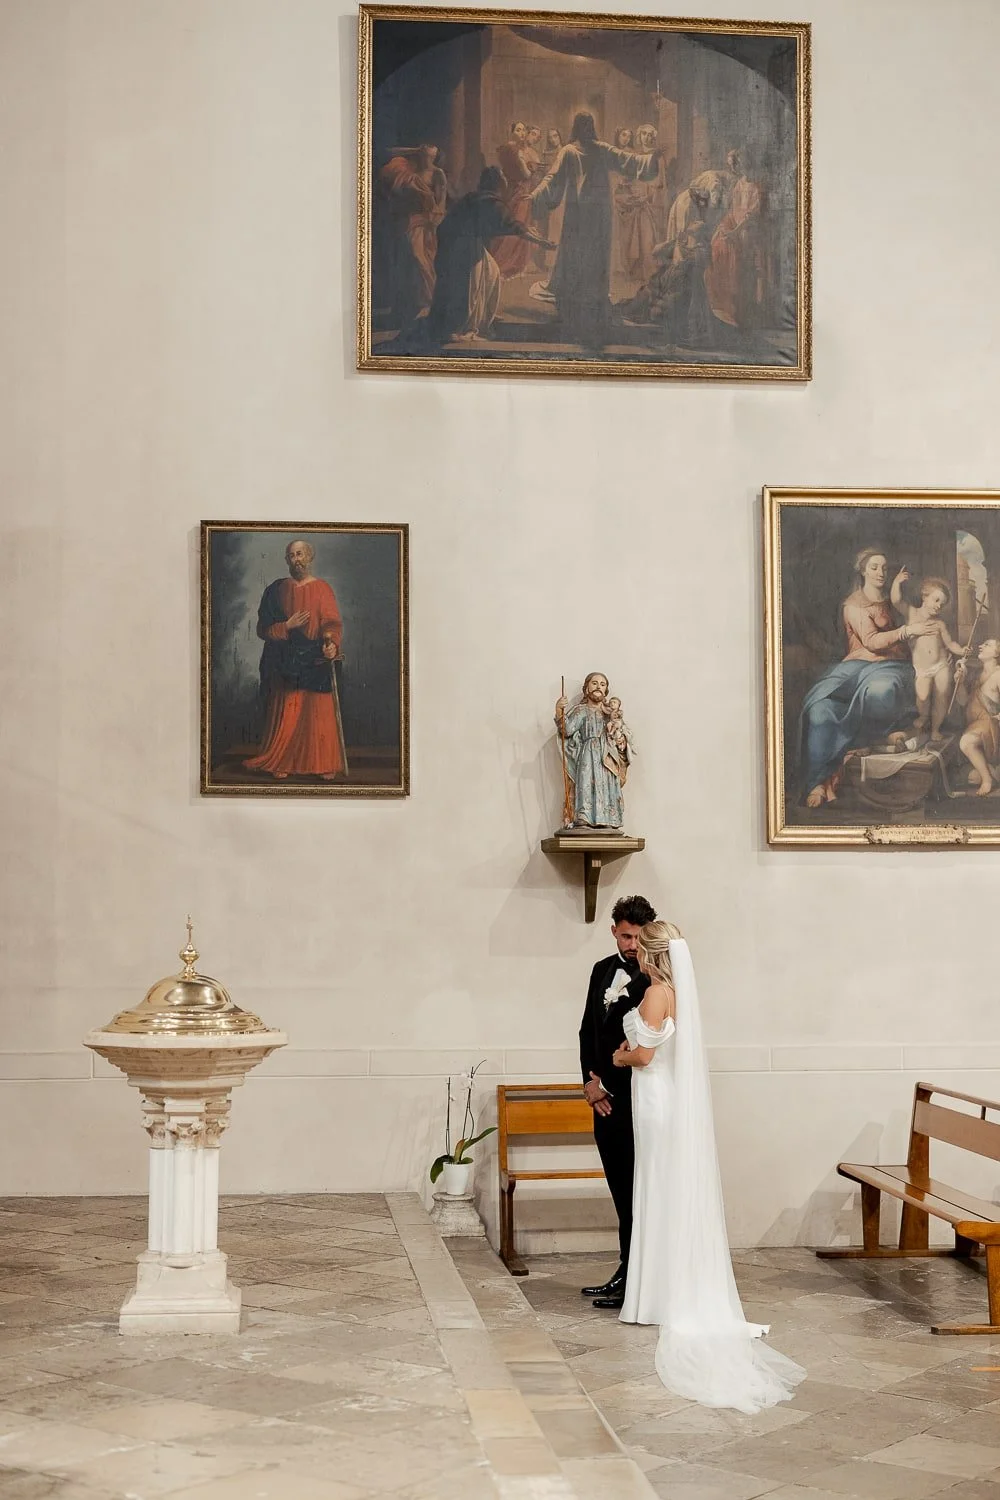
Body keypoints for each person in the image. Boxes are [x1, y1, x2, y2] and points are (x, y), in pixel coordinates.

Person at [612, 921, 806, 1412]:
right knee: (661, 1189)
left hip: (655, 1099)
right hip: (663, 1099)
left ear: (649, 952)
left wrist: (619, 1056)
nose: (631, 952)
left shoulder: (657, 993)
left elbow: (647, 1053)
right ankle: (660, 1291)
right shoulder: (678, 992)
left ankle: (657, 1297)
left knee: (656, 1187)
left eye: (638, 946)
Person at [799, 548, 933, 808]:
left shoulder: (893, 601)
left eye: (884, 567)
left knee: (880, 691)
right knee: (820, 709)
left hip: (892, 667)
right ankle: (818, 779)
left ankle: (864, 741)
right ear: (862, 571)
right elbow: (871, 642)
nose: (880, 573)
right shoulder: (853, 605)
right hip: (855, 668)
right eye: (874, 567)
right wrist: (906, 631)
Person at [578, 895, 657, 1309]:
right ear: (613, 931)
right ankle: (626, 1271)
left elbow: (650, 1048)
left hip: (636, 1102)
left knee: (639, 1194)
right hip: (602, 1101)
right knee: (620, 1193)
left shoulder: (655, 979)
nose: (631, 945)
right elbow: (586, 1032)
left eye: (639, 937)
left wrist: (611, 1083)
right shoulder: (600, 971)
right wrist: (589, 1085)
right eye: (625, 936)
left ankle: (637, 1279)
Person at [528, 111, 660, 347]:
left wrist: (650, 159)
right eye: (586, 125)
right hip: (584, 214)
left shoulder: (595, 149)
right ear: (584, 128)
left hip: (591, 214)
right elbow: (552, 177)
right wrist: (536, 194)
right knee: (580, 253)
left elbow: (627, 160)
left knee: (591, 253)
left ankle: (592, 298)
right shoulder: (572, 151)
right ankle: (580, 299)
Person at [243, 541, 346, 781]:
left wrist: (331, 645)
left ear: (309, 556)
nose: (295, 559)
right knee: (289, 711)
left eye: (299, 554)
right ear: (287, 561)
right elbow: (263, 629)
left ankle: (322, 764)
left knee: (317, 713)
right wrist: (287, 626)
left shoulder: (323, 589)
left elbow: (332, 623)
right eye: (291, 556)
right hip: (286, 660)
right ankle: (283, 760)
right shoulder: (276, 591)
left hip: (315, 658)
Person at [424, 168, 553, 345]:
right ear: (498, 183)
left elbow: (513, 224)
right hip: (460, 245)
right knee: (467, 286)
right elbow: (511, 224)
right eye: (503, 179)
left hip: (461, 241)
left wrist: (532, 234)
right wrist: (541, 242)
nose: (506, 182)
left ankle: (482, 313)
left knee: (491, 273)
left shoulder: (476, 197)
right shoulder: (489, 202)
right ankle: (455, 328)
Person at [378, 146, 448, 325]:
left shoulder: (437, 173)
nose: (427, 159)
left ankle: (429, 300)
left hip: (427, 220)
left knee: (423, 258)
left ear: (435, 157)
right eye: (424, 155)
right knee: (409, 259)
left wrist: (436, 216)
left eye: (431, 156)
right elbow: (390, 157)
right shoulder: (409, 172)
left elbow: (440, 200)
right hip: (409, 219)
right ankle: (413, 303)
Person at [890, 574, 964, 741]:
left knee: (942, 696)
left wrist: (961, 650)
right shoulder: (911, 613)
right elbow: (896, 600)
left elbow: (950, 643)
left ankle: (936, 729)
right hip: (922, 669)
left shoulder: (940, 624)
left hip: (941, 665)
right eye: (936, 600)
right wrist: (896, 582)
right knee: (922, 699)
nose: (939, 606)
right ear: (924, 595)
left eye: (942, 604)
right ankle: (923, 718)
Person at [555, 672, 629, 829]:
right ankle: (585, 817)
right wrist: (559, 710)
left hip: (608, 754)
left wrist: (621, 739)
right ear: (586, 688)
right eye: (594, 683)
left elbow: (621, 732)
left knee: (607, 783)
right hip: (588, 753)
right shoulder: (581, 710)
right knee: (586, 782)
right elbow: (566, 730)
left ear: (606, 691)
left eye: (603, 685)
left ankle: (609, 818)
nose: (598, 687)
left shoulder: (610, 713)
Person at [491, 123, 537, 279]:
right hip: (520, 191)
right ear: (511, 132)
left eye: (524, 129)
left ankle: (515, 263)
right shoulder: (515, 150)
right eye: (518, 130)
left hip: (510, 190)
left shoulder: (504, 148)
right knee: (518, 225)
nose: (523, 133)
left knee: (513, 223)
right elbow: (526, 175)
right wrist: (529, 167)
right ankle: (508, 263)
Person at [959, 639, 1000, 795]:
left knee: (966, 742)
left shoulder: (998, 674)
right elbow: (963, 701)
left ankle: (987, 780)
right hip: (975, 725)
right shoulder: (977, 675)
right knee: (969, 777)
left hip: (991, 727)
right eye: (981, 644)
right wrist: (961, 683)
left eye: (987, 644)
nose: (980, 646)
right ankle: (990, 773)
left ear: (997, 653)